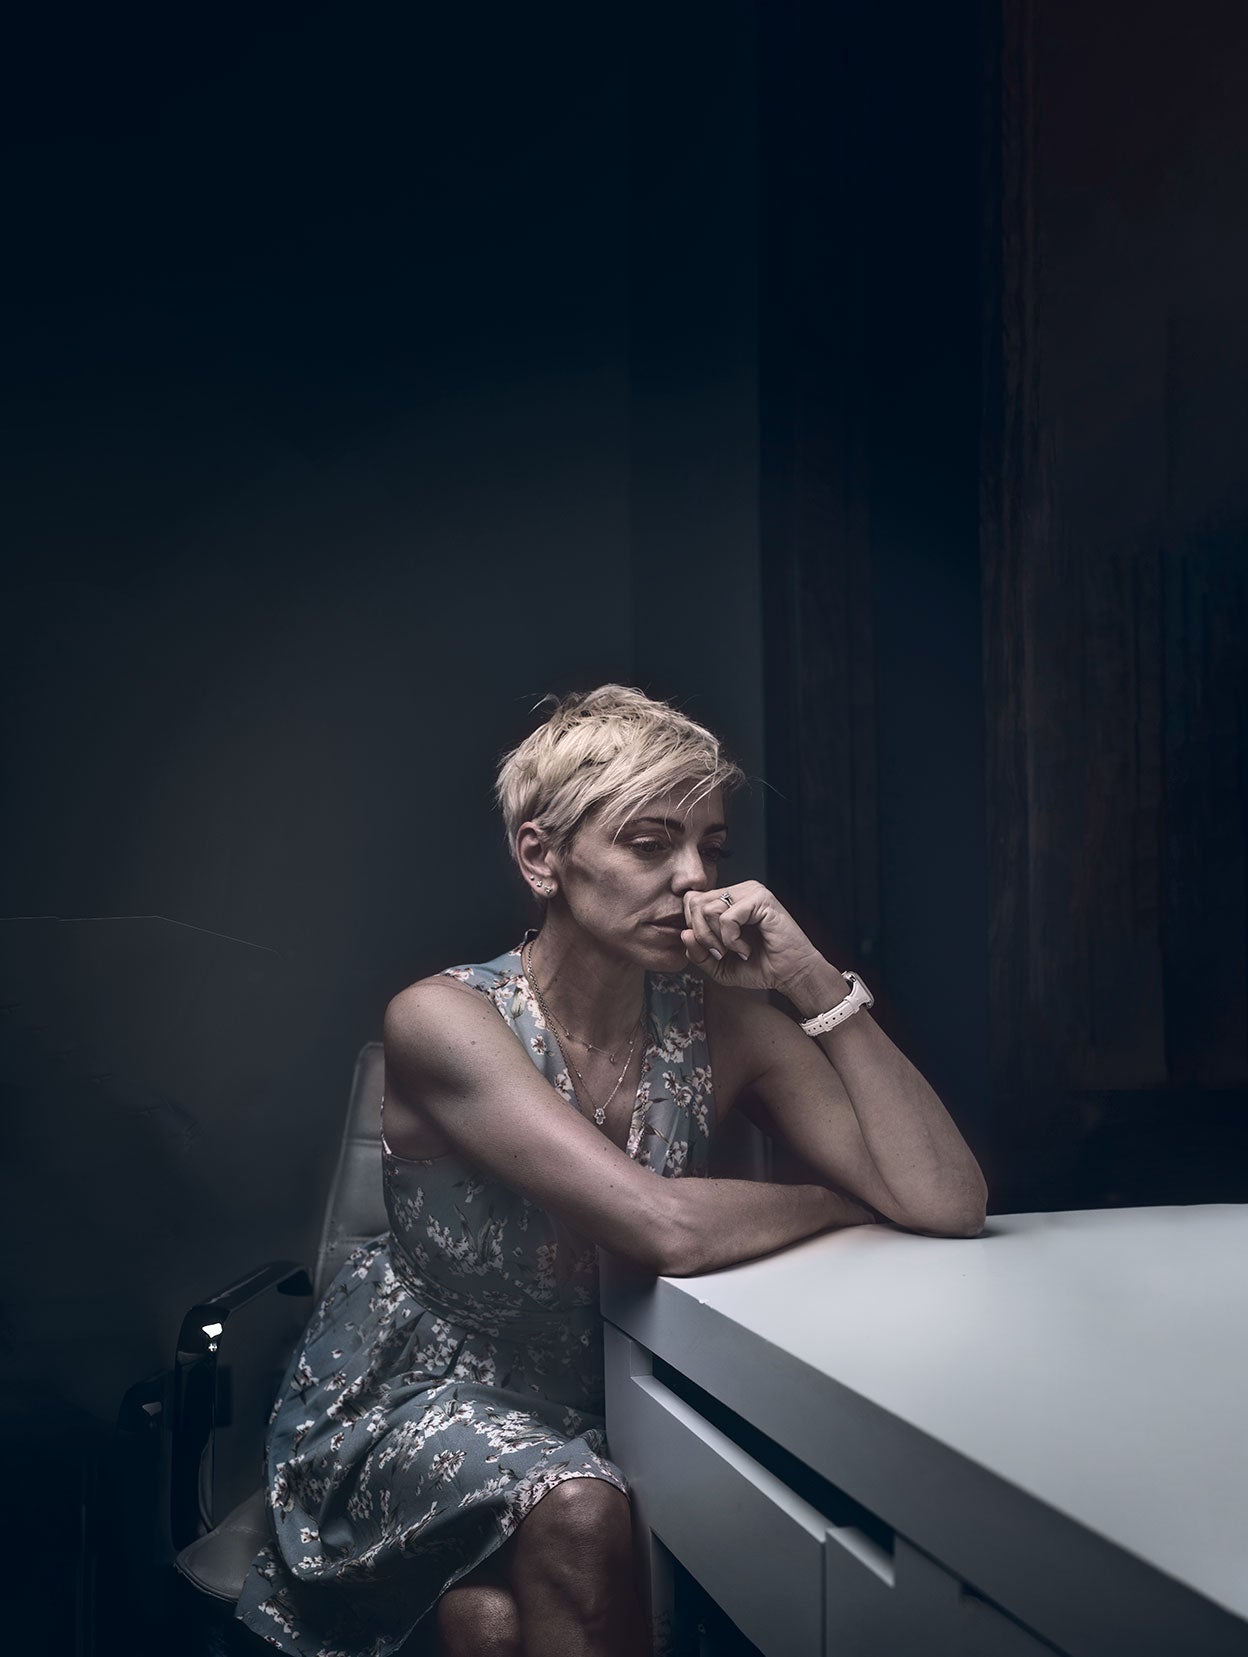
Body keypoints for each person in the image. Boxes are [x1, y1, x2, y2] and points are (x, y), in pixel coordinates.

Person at [234, 684, 987, 1657]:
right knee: (582, 1513)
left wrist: (807, 977)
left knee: (492, 1625)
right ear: (540, 856)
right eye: (649, 841)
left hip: (628, 1385)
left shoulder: (726, 1021)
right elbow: (661, 1225)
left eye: (711, 845)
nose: (694, 877)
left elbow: (946, 1199)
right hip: (415, 1393)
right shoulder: (442, 1019)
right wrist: (842, 1203)